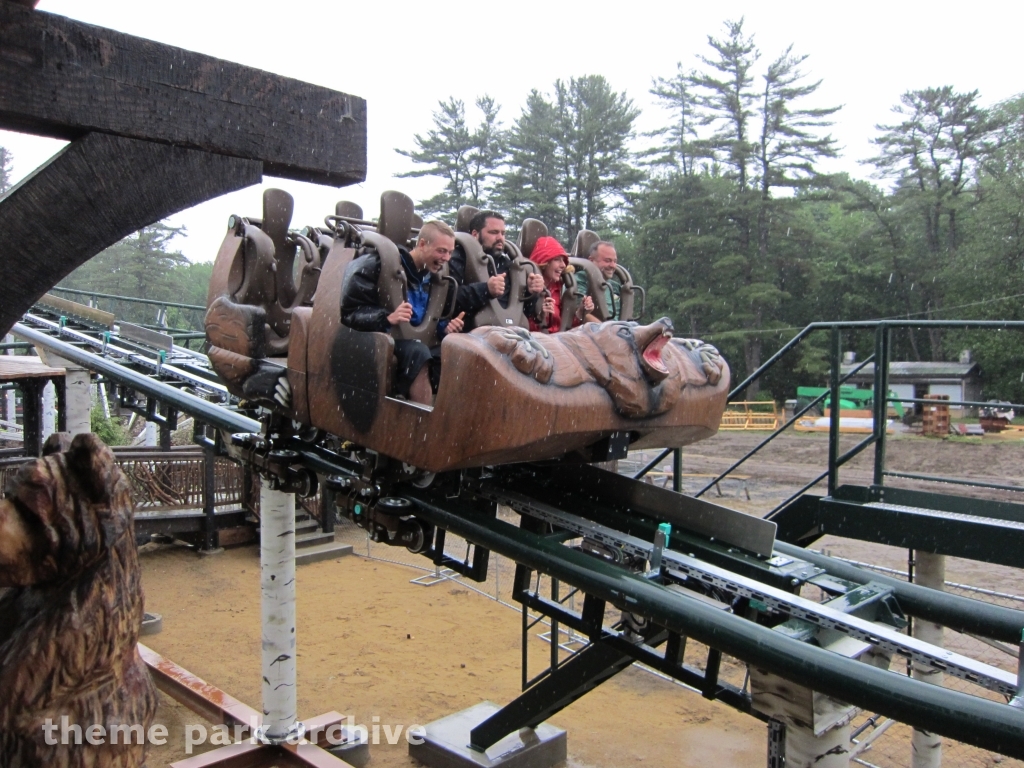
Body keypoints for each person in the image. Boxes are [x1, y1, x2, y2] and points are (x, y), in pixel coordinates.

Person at [341, 220, 465, 405]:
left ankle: (448, 416)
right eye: (441, 251)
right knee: (418, 353)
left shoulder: (436, 277)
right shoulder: (376, 265)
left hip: (417, 341)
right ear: (422, 244)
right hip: (381, 337)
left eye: (449, 252)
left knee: (455, 352)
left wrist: (445, 328)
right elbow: (350, 312)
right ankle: (421, 424)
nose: (447, 258)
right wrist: (386, 317)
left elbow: (431, 319)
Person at [449, 210, 545, 330]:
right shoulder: (459, 257)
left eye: (503, 233)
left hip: (509, 333)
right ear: (475, 234)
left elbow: (523, 313)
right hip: (474, 334)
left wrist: (531, 293)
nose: (500, 238)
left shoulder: (507, 265)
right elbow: (449, 299)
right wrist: (485, 290)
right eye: (494, 232)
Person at [528, 236, 595, 334]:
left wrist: (581, 312)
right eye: (557, 259)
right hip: (536, 344)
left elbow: (565, 328)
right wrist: (539, 318)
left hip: (558, 343)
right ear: (544, 262)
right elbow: (519, 326)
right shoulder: (528, 288)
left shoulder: (558, 288)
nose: (563, 265)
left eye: (563, 260)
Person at [574, 240, 622, 320]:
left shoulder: (615, 286)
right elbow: (579, 313)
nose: (613, 265)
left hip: (620, 328)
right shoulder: (580, 279)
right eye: (607, 260)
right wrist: (608, 331)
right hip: (593, 331)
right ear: (591, 261)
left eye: (615, 261)